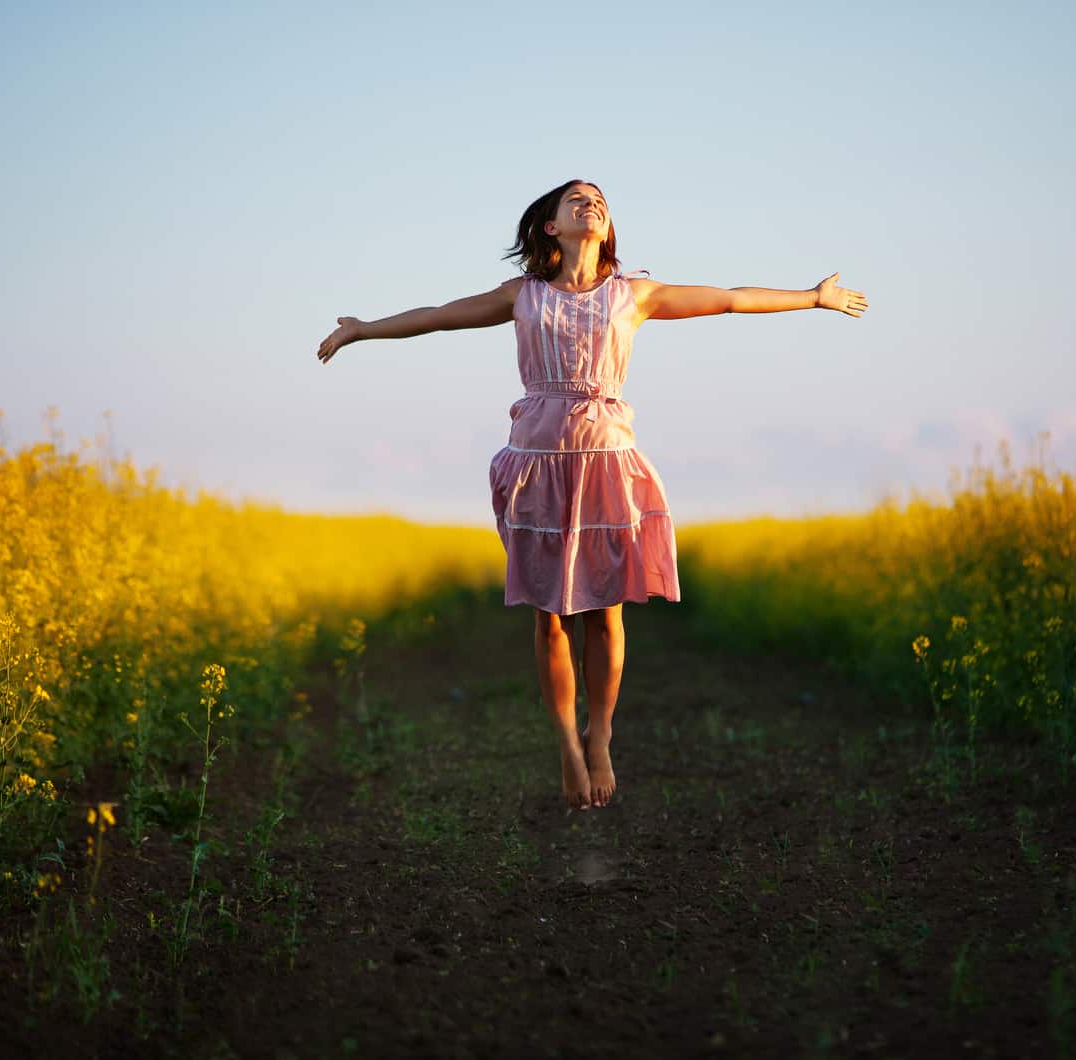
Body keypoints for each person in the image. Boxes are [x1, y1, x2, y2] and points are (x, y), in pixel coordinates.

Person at [316, 179, 867, 811]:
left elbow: (731, 299)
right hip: (538, 466)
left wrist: (813, 298)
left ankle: (599, 733)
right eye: (577, 198)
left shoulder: (633, 295)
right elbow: (438, 317)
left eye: (600, 200)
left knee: (607, 610)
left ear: (607, 229)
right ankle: (566, 745)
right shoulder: (521, 296)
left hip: (606, 462)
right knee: (551, 619)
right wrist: (362, 329)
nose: (592, 204)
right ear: (549, 226)